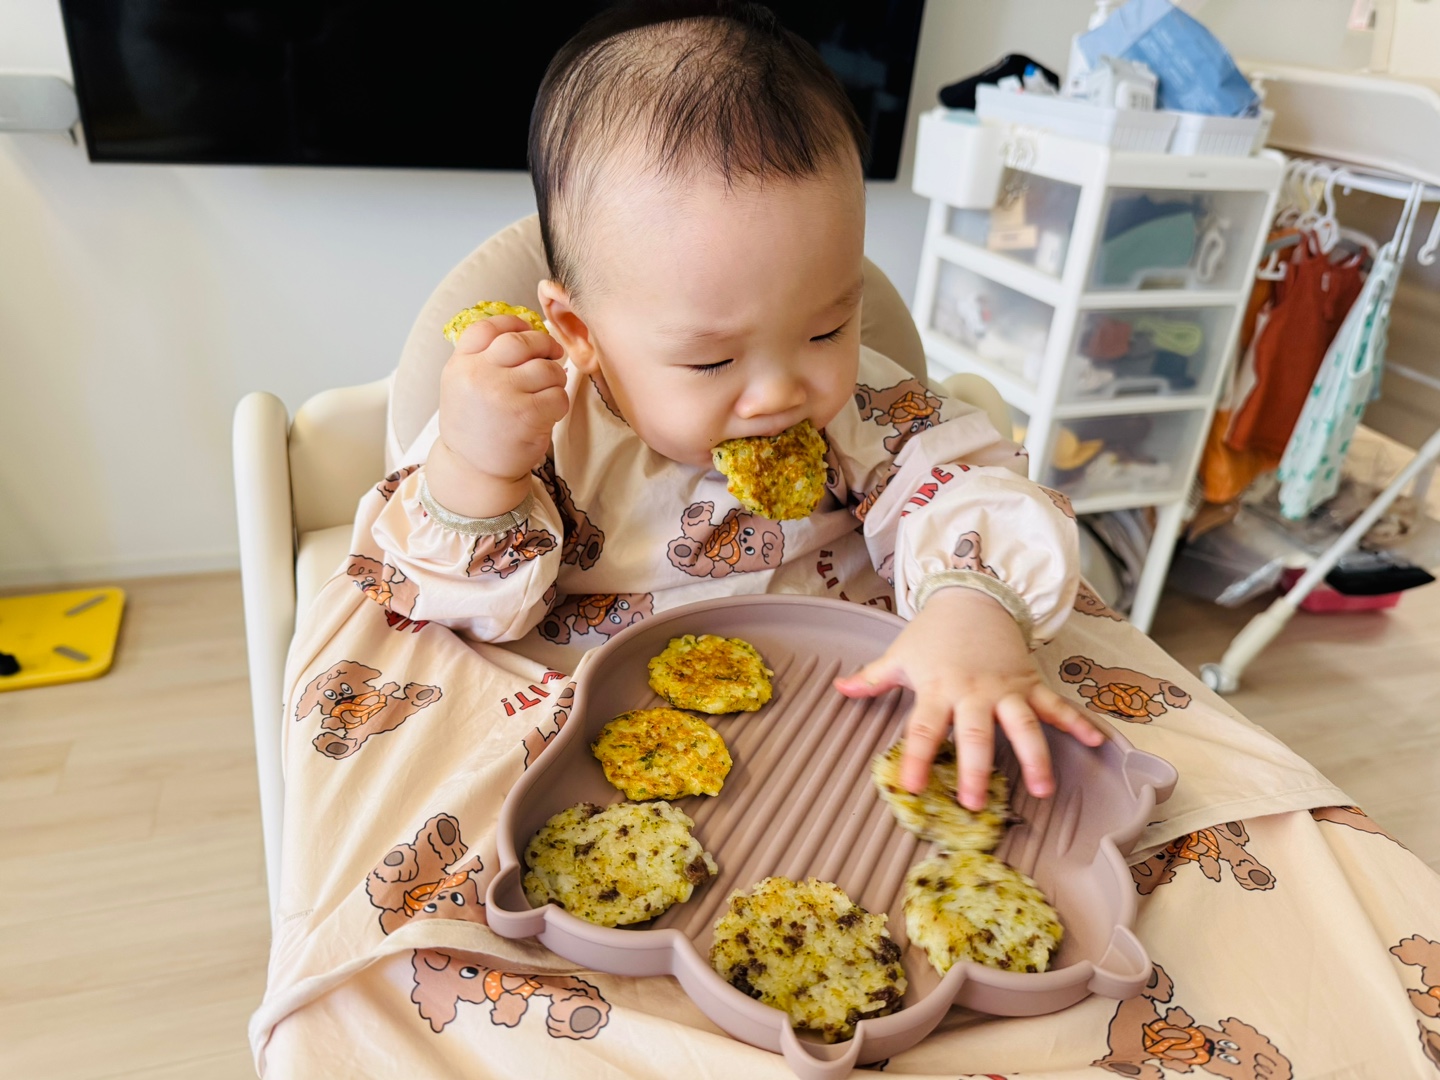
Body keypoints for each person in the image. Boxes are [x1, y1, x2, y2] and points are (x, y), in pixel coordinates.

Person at [370, 0, 1103, 811]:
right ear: (580, 331)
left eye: (827, 329)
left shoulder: (862, 408)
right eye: (713, 358)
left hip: (844, 712)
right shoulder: (537, 422)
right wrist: (479, 468)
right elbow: (445, 602)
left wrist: (971, 606)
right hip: (599, 733)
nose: (783, 391)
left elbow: (970, 488)